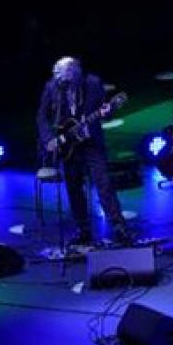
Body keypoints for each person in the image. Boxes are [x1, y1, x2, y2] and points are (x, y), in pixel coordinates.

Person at [36, 56, 132, 248]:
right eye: (58, 78)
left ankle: (119, 227)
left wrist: (107, 111)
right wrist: (49, 140)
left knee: (104, 184)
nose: (61, 82)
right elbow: (42, 116)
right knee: (73, 188)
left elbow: (105, 110)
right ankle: (83, 230)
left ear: (74, 73)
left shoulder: (92, 83)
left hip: (91, 143)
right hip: (68, 145)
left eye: (64, 78)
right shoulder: (52, 87)